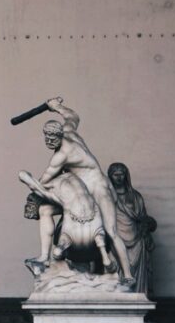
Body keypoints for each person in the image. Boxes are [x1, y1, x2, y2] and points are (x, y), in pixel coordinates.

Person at [35, 98, 135, 285]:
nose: (49, 142)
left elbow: (44, 181)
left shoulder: (61, 156)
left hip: (98, 188)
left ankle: (127, 275)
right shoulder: (69, 131)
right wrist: (57, 107)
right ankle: (44, 257)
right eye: (46, 138)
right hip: (81, 192)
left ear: (60, 135)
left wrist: (33, 188)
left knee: (111, 231)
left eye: (53, 138)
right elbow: (73, 116)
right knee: (45, 210)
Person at [108, 162, 157, 293]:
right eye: (115, 174)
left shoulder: (135, 197)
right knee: (114, 268)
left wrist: (147, 226)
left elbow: (142, 217)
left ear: (126, 176)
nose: (119, 177)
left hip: (135, 239)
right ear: (110, 176)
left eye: (121, 174)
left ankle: (137, 294)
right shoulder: (107, 196)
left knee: (136, 272)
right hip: (115, 238)